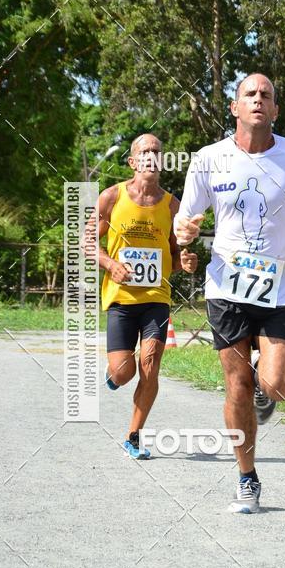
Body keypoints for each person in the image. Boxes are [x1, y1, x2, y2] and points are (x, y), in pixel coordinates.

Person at [176, 73, 285, 513]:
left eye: (267, 95)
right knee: (237, 384)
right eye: (250, 94)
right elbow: (185, 218)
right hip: (227, 287)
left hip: (279, 287)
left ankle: (266, 390)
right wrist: (182, 233)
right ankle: (247, 478)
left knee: (276, 386)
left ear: (275, 110)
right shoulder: (208, 159)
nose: (258, 99)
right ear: (235, 108)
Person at [85, 134, 195, 459]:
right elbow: (87, 242)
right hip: (121, 299)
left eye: (157, 151)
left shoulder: (173, 206)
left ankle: (134, 435)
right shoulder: (111, 197)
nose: (151, 156)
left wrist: (184, 263)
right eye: (144, 152)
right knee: (124, 371)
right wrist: (109, 264)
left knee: (150, 365)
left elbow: (176, 256)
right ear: (133, 162)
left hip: (156, 299)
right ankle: (114, 373)